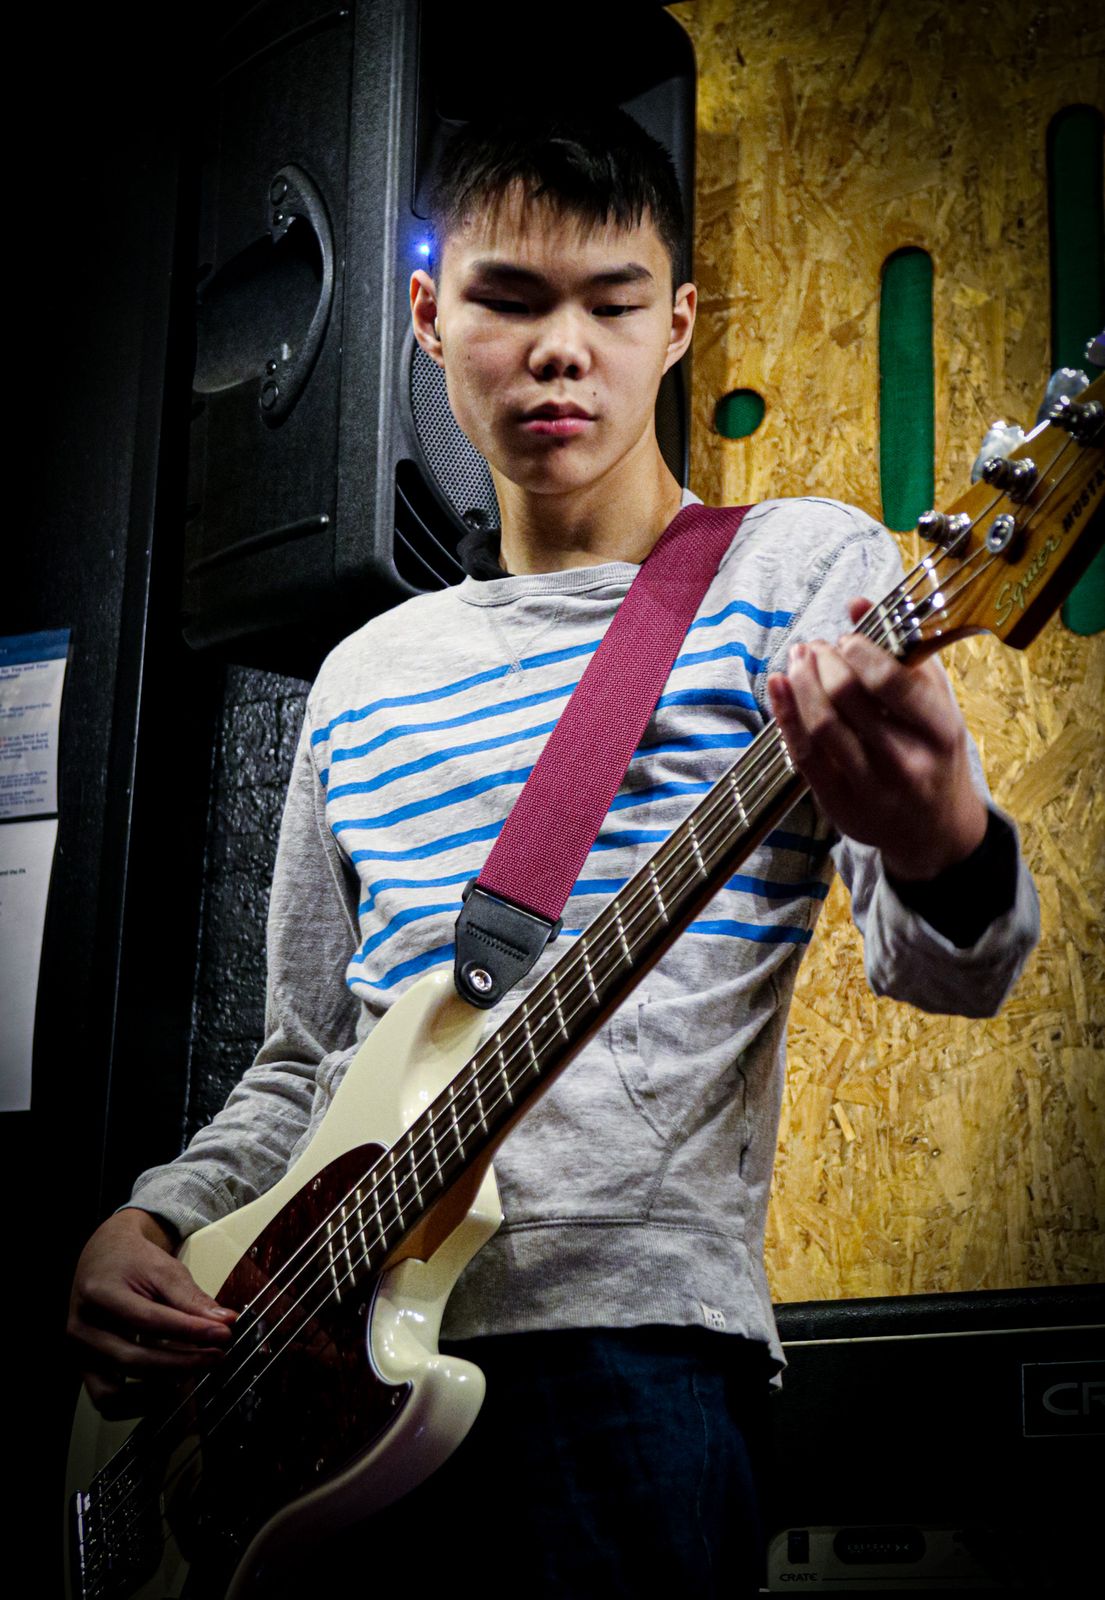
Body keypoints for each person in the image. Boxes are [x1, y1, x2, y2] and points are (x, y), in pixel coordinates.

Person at [68, 111, 1039, 1596]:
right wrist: (157, 1215)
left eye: (612, 303)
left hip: (626, 1371)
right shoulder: (363, 675)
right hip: (293, 1388)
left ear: (677, 324)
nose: (560, 350)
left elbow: (954, 972)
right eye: (509, 299)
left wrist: (940, 836)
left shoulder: (798, 573)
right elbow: (302, 1063)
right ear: (427, 316)